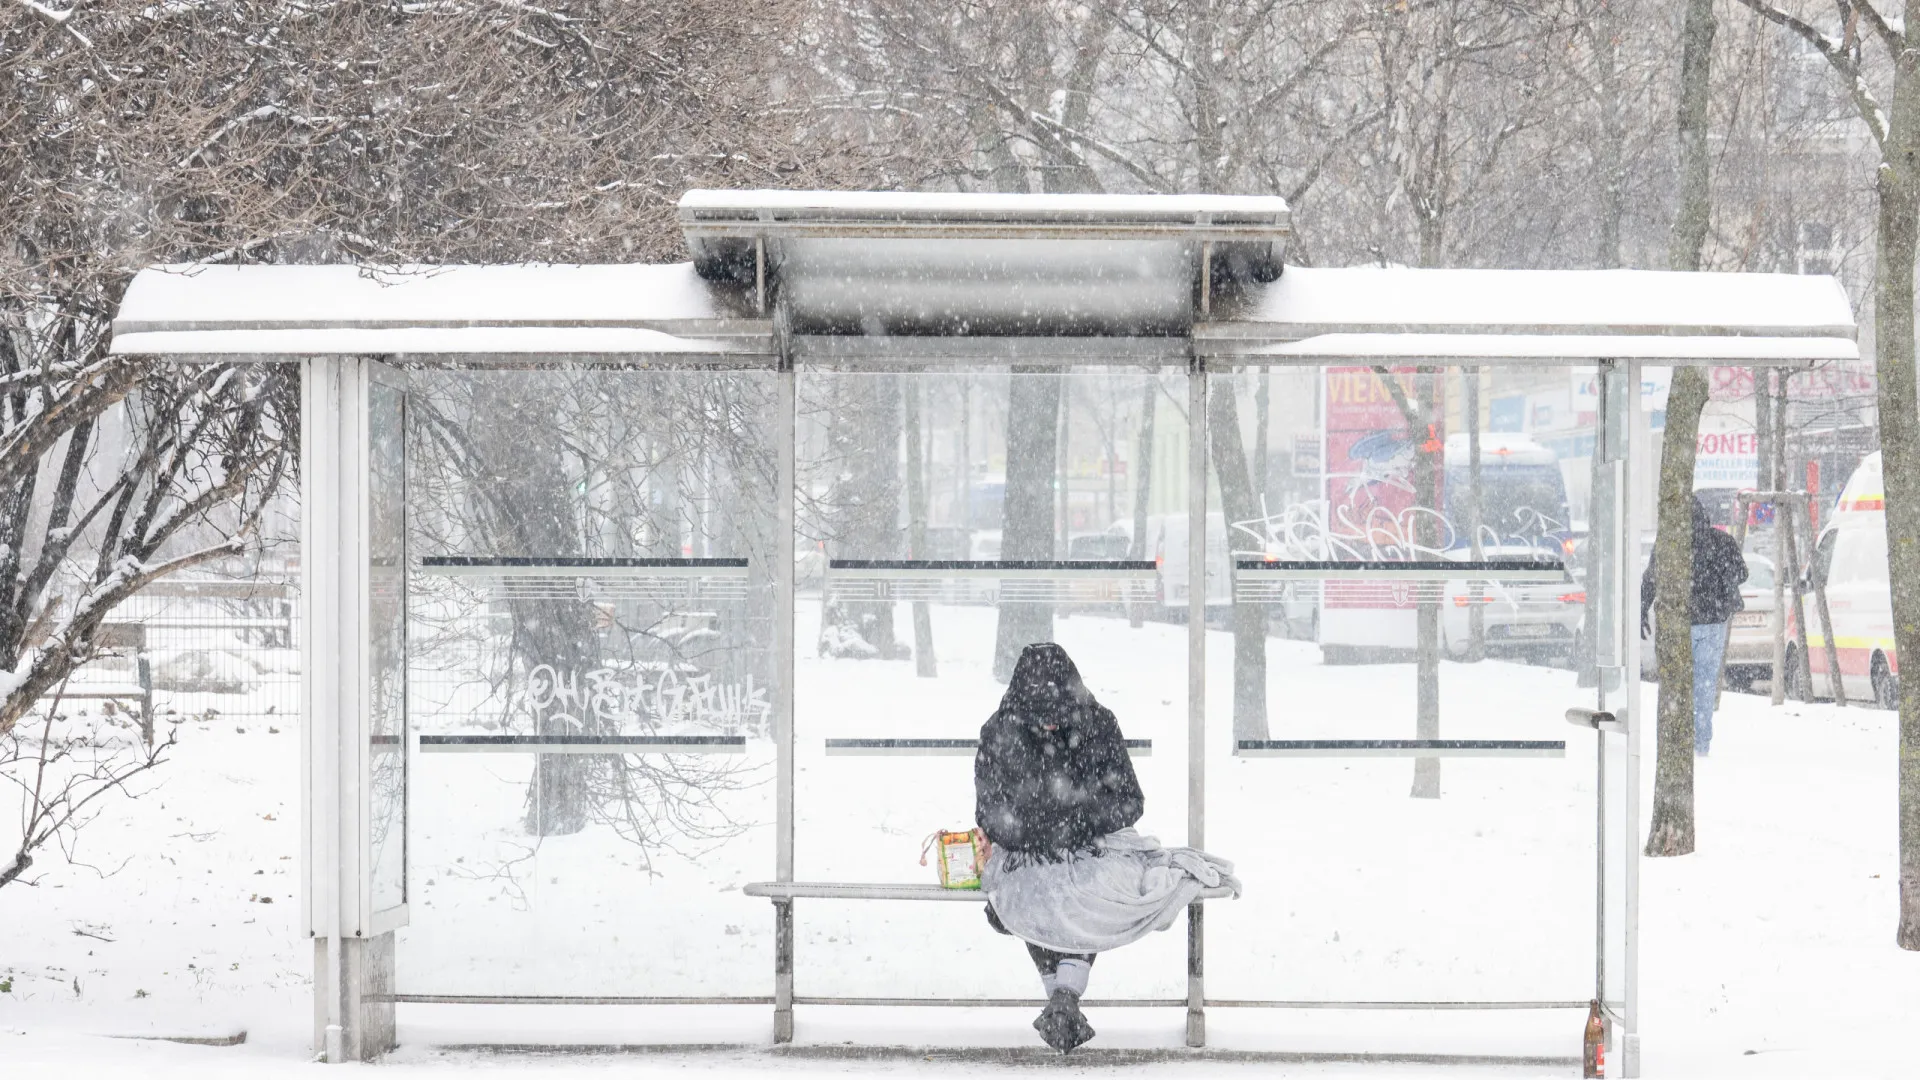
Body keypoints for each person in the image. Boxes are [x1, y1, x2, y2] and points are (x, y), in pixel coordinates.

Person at [974, 643, 1239, 1053]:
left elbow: (1129, 799)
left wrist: (1075, 824)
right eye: (1039, 719)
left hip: (1093, 842)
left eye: (1057, 717)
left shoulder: (1096, 723)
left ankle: (1061, 997)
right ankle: (1064, 995)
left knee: (1092, 890)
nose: (1048, 727)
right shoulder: (1000, 732)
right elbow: (990, 811)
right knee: (1034, 887)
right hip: (1026, 849)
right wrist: (1035, 833)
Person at [1640, 495, 1748, 757]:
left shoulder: (1669, 544)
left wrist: (1643, 610)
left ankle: (1677, 741)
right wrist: (1721, 583)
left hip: (1680, 624)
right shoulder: (1722, 541)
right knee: (1705, 685)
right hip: (1712, 624)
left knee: (1677, 684)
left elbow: (1651, 579)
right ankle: (1701, 744)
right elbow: (1742, 573)